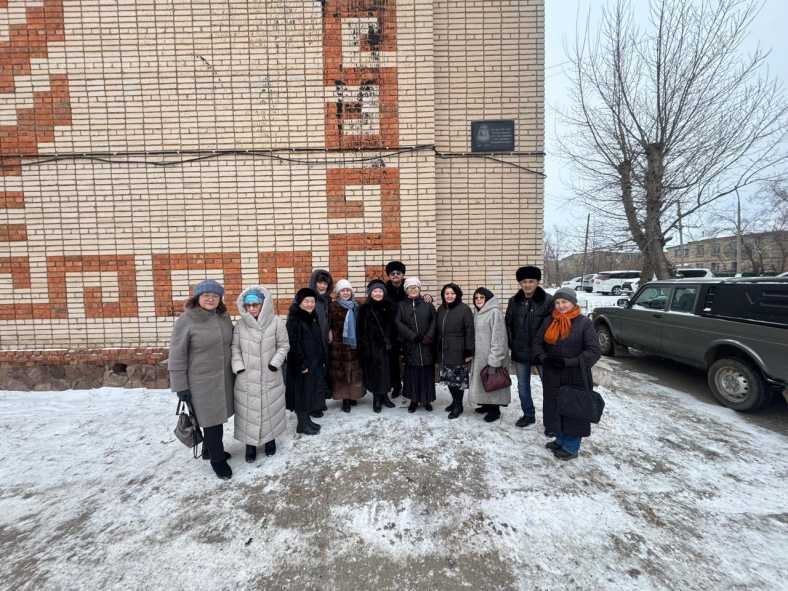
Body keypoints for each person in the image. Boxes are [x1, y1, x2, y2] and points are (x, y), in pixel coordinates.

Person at [168, 279, 235, 480]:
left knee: (216, 419)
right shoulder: (186, 320)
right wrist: (180, 387)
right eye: (206, 295)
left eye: (215, 296)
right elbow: (177, 355)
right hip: (200, 382)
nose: (210, 299)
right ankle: (217, 460)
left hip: (223, 378)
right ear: (197, 297)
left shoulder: (223, 316)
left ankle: (208, 450)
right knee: (212, 422)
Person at [533, 288, 601, 460]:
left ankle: (571, 447)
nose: (561, 306)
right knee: (555, 408)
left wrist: (569, 362)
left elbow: (594, 351)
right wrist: (544, 358)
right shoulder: (550, 320)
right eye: (557, 302)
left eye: (564, 302)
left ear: (573, 303)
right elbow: (537, 343)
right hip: (552, 374)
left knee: (573, 410)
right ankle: (560, 439)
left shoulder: (584, 323)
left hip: (575, 375)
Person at [231, 286, 289, 463]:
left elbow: (283, 345)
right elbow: (235, 348)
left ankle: (270, 440)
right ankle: (250, 445)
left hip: (270, 374)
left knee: (270, 409)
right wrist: (238, 366)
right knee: (249, 412)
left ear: (263, 304)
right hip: (247, 377)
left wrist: (275, 363)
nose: (251, 309)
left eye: (255, 305)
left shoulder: (276, 322)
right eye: (248, 305)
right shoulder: (240, 325)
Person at [505, 265, 554, 431]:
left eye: (531, 281)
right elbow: (508, 324)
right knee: (523, 387)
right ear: (520, 283)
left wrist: (545, 349)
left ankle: (551, 421)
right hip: (520, 351)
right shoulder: (514, 301)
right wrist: (512, 343)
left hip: (543, 353)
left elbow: (551, 327)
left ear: (537, 282)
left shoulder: (548, 301)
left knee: (550, 387)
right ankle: (528, 414)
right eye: (524, 282)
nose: (527, 285)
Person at [285, 288, 327, 435]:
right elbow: (293, 344)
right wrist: (301, 364)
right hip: (301, 365)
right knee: (301, 394)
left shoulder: (312, 317)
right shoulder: (295, 319)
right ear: (299, 302)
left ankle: (306, 420)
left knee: (308, 392)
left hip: (313, 362)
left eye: (312, 301)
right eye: (306, 301)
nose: (310, 304)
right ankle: (302, 425)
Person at [468, 287, 511, 422]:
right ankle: (486, 405)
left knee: (493, 382)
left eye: (482, 297)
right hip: (480, 357)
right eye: (476, 298)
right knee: (484, 382)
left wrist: (495, 360)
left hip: (491, 356)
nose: (478, 300)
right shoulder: (478, 313)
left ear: (488, 299)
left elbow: (499, 338)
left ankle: (494, 410)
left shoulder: (494, 313)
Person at [395, 277, 437, 412]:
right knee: (412, 374)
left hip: (426, 345)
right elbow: (398, 323)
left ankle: (426, 400)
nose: (413, 290)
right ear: (406, 290)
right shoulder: (401, 305)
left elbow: (434, 321)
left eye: (415, 287)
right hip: (411, 345)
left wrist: (428, 336)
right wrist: (412, 336)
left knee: (426, 374)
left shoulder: (427, 304)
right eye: (410, 288)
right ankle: (413, 400)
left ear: (419, 289)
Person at [435, 283, 474, 419]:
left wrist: (468, 350)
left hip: (458, 350)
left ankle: (458, 405)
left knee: (457, 381)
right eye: (447, 293)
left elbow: (470, 330)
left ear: (457, 295)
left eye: (452, 293)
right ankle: (455, 402)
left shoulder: (464, 309)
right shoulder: (441, 309)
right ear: (443, 295)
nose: (449, 296)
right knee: (448, 379)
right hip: (444, 350)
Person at [357, 279, 397, 413]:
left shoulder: (390, 307)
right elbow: (360, 330)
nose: (378, 293)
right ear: (370, 293)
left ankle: (385, 396)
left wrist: (392, 342)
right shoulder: (364, 309)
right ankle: (377, 399)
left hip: (387, 347)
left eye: (380, 291)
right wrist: (365, 347)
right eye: (375, 291)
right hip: (372, 347)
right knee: (375, 373)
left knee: (387, 372)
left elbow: (394, 327)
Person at [329, 279, 364, 412]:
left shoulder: (357, 306)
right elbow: (329, 324)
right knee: (342, 373)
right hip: (340, 346)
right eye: (342, 291)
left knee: (354, 372)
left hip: (355, 346)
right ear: (338, 293)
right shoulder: (333, 307)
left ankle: (353, 396)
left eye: (347, 290)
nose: (345, 293)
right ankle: (345, 399)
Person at [308, 268, 334, 414]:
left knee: (322, 371)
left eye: (325, 283)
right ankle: (314, 405)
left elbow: (327, 319)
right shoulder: (309, 299)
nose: (322, 286)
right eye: (320, 283)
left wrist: (329, 330)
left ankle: (320, 400)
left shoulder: (327, 300)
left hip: (324, 341)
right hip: (313, 342)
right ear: (314, 283)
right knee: (314, 372)